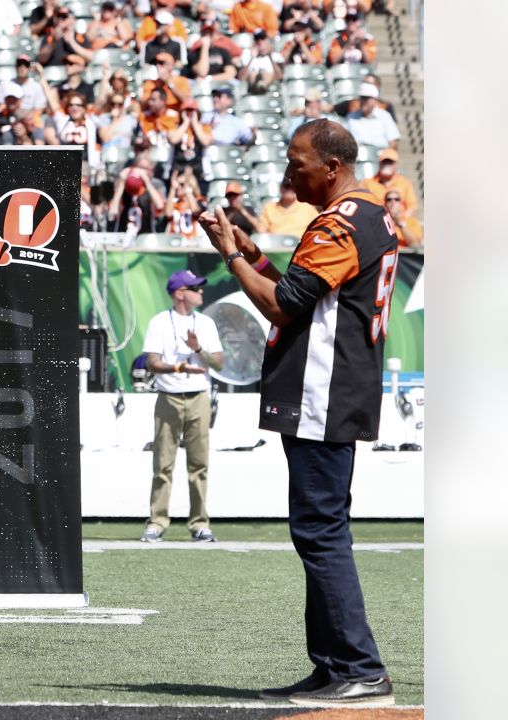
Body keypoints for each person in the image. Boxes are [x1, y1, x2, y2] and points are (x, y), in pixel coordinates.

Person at [198, 119, 395, 707]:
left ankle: (360, 667)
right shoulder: (369, 214)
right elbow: (302, 294)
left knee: (321, 530)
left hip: (324, 390)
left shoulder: (342, 222)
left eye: (297, 162)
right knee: (319, 529)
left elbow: (283, 308)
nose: (288, 174)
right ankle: (334, 665)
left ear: (331, 167)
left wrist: (233, 258)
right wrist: (250, 250)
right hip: (334, 387)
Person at [138, 269, 223, 543]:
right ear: (179, 293)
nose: (200, 292)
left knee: (199, 464)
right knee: (162, 463)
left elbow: (219, 363)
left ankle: (199, 524)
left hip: (199, 396)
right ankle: (157, 522)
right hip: (169, 397)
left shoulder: (206, 323)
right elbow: (151, 361)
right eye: (194, 288)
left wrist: (198, 350)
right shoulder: (160, 322)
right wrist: (177, 366)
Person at [360, 148, 418, 217]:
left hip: (399, 223)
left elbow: (412, 206)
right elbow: (361, 206)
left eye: (390, 162)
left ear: (396, 164)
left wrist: (401, 222)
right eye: (384, 162)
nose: (387, 165)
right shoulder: (366, 184)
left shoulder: (405, 183)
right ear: (379, 163)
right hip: (375, 223)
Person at [345, 84, 399, 150]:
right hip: (357, 156)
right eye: (362, 98)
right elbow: (343, 140)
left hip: (379, 157)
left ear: (375, 100)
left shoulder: (385, 116)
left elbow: (393, 142)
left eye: (367, 98)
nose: (363, 101)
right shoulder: (351, 116)